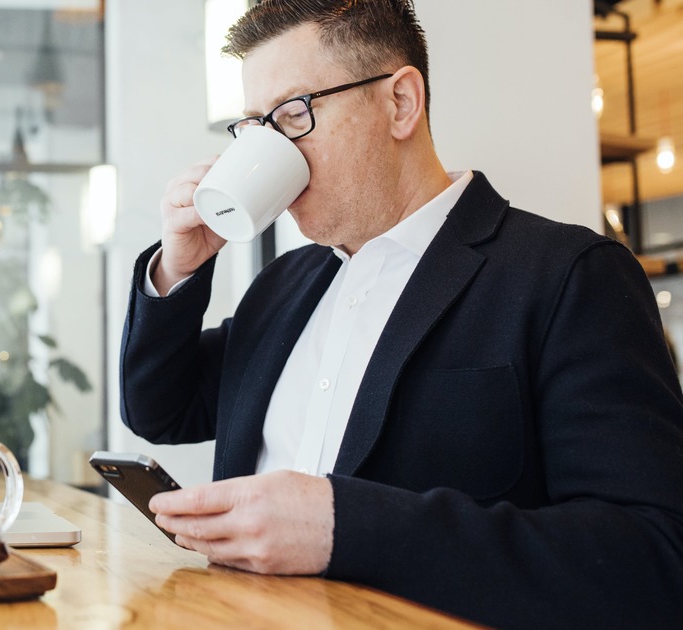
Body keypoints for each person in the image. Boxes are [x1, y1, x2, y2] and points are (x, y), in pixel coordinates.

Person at [118, 1, 683, 627]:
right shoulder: (285, 286)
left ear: (400, 103)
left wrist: (347, 524)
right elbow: (159, 410)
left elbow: (653, 555)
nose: (273, 149)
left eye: (293, 114)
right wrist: (177, 269)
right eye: (256, 127)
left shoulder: (568, 276)